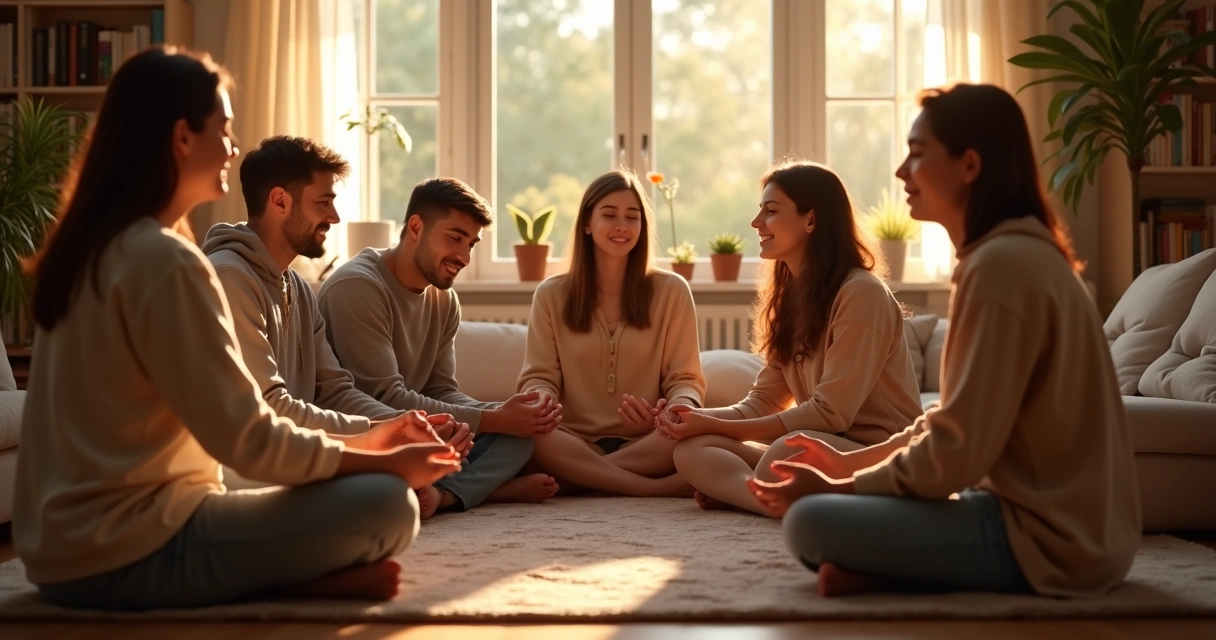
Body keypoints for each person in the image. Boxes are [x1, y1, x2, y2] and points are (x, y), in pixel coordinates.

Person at [13, 46, 461, 612]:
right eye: (222, 130)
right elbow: (245, 439)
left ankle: (295, 579)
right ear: (181, 137)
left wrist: (377, 436)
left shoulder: (97, 249)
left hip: (61, 555)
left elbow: (279, 412)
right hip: (124, 552)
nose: (231, 146)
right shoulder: (164, 261)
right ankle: (287, 581)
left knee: (378, 490)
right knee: (387, 503)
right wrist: (384, 461)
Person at [749, 83, 1141, 599]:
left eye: (917, 154)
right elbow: (950, 422)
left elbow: (957, 455)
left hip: (1053, 542)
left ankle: (905, 570)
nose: (900, 172)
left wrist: (839, 487)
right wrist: (848, 463)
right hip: (1062, 527)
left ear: (969, 165)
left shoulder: (1003, 267)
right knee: (825, 508)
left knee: (810, 522)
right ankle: (898, 572)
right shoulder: (1010, 255)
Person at [202, 136, 473, 499]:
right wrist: (380, 435)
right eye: (323, 202)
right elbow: (272, 406)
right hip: (244, 468)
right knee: (390, 503)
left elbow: (334, 391)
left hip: (301, 452)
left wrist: (403, 425)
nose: (334, 216)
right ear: (280, 201)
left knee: (395, 492)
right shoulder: (229, 277)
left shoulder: (297, 287)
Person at [660, 160, 924, 516]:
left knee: (783, 453)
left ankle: (755, 494)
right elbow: (762, 402)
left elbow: (831, 415)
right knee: (691, 448)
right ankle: (767, 499)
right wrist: (694, 417)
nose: (756, 223)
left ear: (811, 220)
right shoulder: (791, 299)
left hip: (873, 452)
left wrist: (717, 424)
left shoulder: (862, 294)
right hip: (819, 445)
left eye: (770, 211)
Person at [319, 177, 561, 519]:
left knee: (521, 437)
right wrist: (492, 419)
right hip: (370, 431)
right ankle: (481, 490)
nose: (463, 256)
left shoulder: (444, 300)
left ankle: (447, 493)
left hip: (423, 427)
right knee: (495, 428)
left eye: (472, 244)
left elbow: (441, 389)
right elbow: (383, 397)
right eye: (454, 238)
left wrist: (504, 414)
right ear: (415, 227)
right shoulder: (358, 287)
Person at [517, 169, 706, 497]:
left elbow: (686, 379)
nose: (622, 225)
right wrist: (541, 397)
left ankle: (580, 480)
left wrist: (676, 407)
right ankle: (652, 490)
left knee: (692, 435)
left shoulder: (673, 290)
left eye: (632, 217)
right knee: (529, 437)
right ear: (587, 224)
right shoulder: (550, 294)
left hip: (646, 440)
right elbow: (539, 376)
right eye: (610, 215)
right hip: (573, 439)